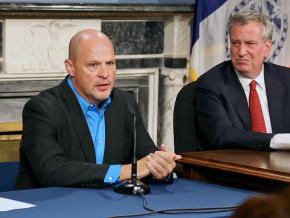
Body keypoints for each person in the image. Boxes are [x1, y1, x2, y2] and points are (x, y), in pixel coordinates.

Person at [15, 29, 181, 189]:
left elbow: (146, 159)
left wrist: (161, 166)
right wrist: (126, 171)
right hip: (50, 207)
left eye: (110, 63)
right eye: (93, 65)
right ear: (70, 67)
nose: (104, 73)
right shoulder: (42, 108)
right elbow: (51, 170)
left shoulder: (125, 103)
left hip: (109, 205)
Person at [195, 11, 290, 150]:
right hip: (237, 165)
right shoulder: (211, 84)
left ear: (267, 48)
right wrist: (277, 140)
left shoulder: (286, 79)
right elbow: (221, 135)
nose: (241, 52)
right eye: (235, 43)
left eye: (250, 43)